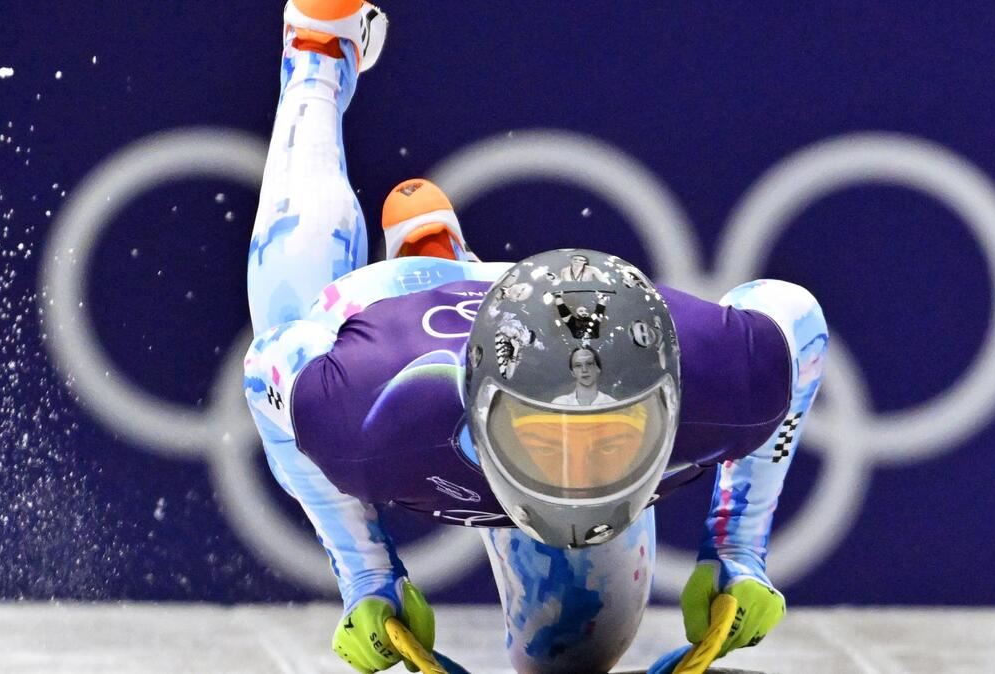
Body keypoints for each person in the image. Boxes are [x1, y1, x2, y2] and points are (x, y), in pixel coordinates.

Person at [242, 2, 829, 672]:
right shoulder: (370, 403)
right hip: (391, 319)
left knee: (570, 660)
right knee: (289, 320)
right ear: (478, 405)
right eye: (547, 441)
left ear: (669, 404)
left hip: (507, 340)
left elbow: (796, 320)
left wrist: (737, 552)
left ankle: (446, 255)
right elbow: (267, 371)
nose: (575, 485)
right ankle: (319, 57)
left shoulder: (723, 372)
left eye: (610, 441)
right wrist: (366, 573)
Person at [551, 347, 617, 406]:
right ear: (572, 372)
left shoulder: (612, 404)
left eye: (589, 364)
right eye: (578, 365)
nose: (584, 370)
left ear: (598, 369)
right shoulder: (559, 404)